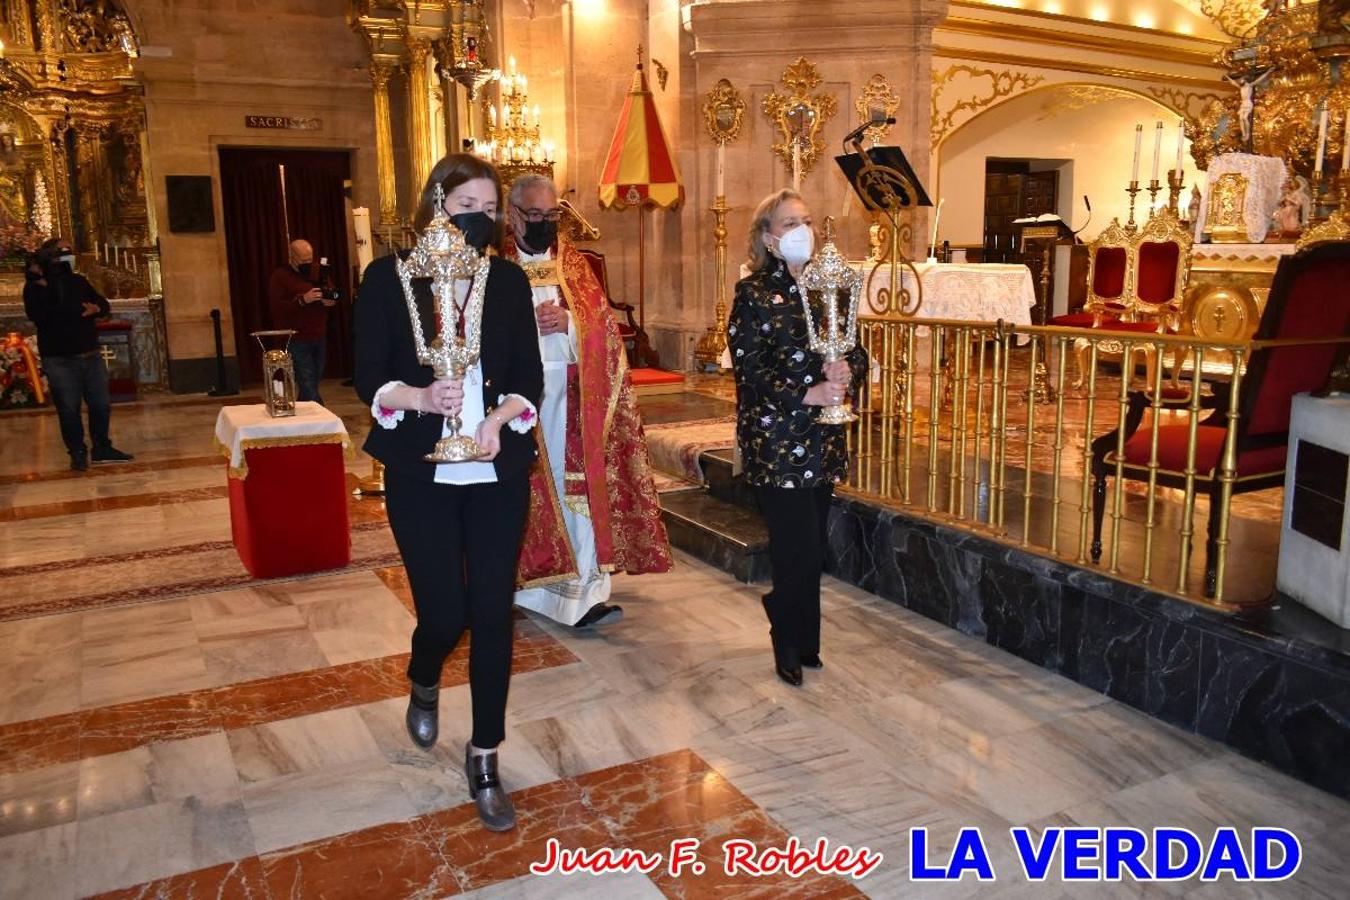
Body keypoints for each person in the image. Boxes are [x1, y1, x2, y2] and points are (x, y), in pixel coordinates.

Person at [354, 153, 542, 832]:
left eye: (491, 212)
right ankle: (424, 671)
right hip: (419, 471)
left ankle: (486, 756)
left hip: (493, 470)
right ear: (436, 205)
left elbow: (528, 373)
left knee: (493, 611)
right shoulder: (388, 279)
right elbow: (366, 373)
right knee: (445, 612)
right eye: (468, 209)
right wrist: (419, 395)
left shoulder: (508, 283)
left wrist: (497, 418)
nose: (481, 223)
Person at [501, 174, 672, 628]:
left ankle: (582, 594)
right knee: (527, 495)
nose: (542, 224)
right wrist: (522, 323)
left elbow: (607, 334)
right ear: (511, 213)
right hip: (515, 402)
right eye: (533, 215)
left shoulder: (572, 264)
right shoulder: (495, 264)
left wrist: (572, 324)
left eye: (550, 215)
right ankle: (521, 586)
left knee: (576, 492)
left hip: (574, 399)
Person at [729, 190, 866, 687]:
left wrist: (847, 370)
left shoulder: (830, 287)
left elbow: (859, 352)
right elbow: (750, 370)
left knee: (813, 548)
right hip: (777, 439)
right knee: (794, 547)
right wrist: (807, 393)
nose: (801, 230)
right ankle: (786, 639)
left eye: (806, 220)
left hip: (824, 440)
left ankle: (806, 638)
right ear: (768, 236)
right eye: (789, 223)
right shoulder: (754, 293)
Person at [23, 238, 133, 471]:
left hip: (90, 355)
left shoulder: (78, 281)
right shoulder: (35, 288)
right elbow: (41, 316)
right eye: (63, 252)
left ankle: (102, 448)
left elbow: (102, 304)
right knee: (69, 408)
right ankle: (77, 452)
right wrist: (47, 286)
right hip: (60, 358)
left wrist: (97, 309)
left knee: (101, 405)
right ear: (50, 256)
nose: (68, 256)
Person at [268, 239, 336, 403]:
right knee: (307, 383)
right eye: (303, 260)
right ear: (292, 257)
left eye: (310, 259)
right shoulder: (280, 276)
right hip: (296, 338)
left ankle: (304, 416)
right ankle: (321, 418)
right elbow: (277, 307)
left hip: (319, 335)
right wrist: (302, 300)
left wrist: (330, 300)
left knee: (313, 381)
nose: (308, 263)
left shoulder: (319, 271)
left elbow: (332, 293)